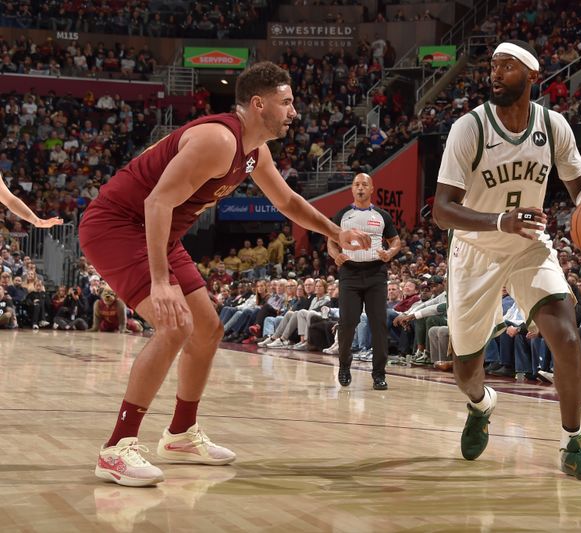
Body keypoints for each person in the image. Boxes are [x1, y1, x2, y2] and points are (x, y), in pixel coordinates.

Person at [78, 61, 370, 488]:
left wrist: (334, 232)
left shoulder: (254, 152)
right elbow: (156, 203)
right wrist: (160, 282)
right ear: (258, 104)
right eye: (286, 103)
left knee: (208, 329)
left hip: (158, 233)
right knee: (175, 325)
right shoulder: (218, 140)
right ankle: (117, 447)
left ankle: (180, 434)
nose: (294, 113)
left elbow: (287, 202)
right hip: (118, 226)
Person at [433, 40, 581, 482]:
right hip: (475, 251)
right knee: (464, 370)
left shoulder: (553, 126)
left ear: (532, 76)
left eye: (507, 66)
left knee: (568, 339)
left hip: (529, 245)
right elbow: (442, 210)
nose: (495, 73)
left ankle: (572, 445)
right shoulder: (470, 128)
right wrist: (500, 221)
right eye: (493, 65)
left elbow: (580, 186)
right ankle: (481, 405)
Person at [328, 173, 401, 390]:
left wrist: (391, 252)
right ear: (352, 189)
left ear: (372, 189)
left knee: (378, 324)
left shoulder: (382, 215)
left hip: (376, 272)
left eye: (364, 184)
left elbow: (395, 240)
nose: (360, 188)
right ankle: (344, 365)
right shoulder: (342, 214)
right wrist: (335, 255)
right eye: (356, 184)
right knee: (348, 323)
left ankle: (379, 374)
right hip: (349, 273)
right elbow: (331, 242)